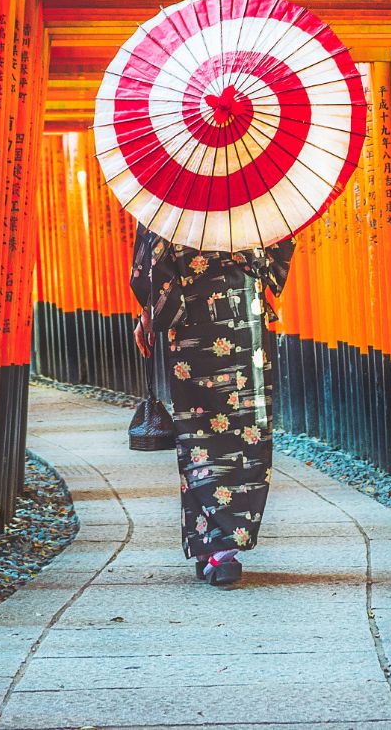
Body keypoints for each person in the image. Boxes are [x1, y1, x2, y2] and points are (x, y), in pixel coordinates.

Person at [130, 224, 295, 588]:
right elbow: (281, 239)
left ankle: (210, 543)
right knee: (245, 428)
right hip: (244, 315)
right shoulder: (254, 189)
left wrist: (147, 313)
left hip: (191, 321)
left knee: (198, 433)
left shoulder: (172, 193)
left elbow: (152, 263)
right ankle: (225, 550)